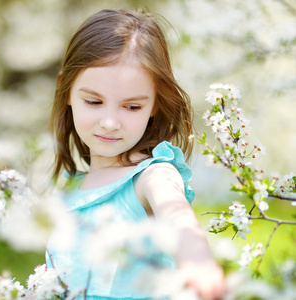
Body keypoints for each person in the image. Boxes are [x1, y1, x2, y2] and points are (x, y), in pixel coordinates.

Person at [46, 8, 225, 300]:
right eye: (94, 101)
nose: (110, 122)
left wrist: (197, 260)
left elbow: (175, 211)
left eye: (132, 107)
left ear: (155, 104)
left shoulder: (151, 176)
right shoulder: (68, 187)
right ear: (65, 90)